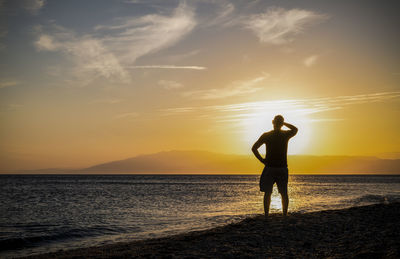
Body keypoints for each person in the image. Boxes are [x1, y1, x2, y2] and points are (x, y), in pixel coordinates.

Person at [251, 115, 298, 217]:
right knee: (283, 193)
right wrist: (283, 123)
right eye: (280, 122)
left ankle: (267, 215)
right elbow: (295, 129)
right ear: (280, 123)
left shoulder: (268, 135)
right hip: (280, 168)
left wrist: (262, 160)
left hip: (273, 168)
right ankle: (284, 215)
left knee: (269, 193)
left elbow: (254, 148)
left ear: (273, 122)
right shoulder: (284, 134)